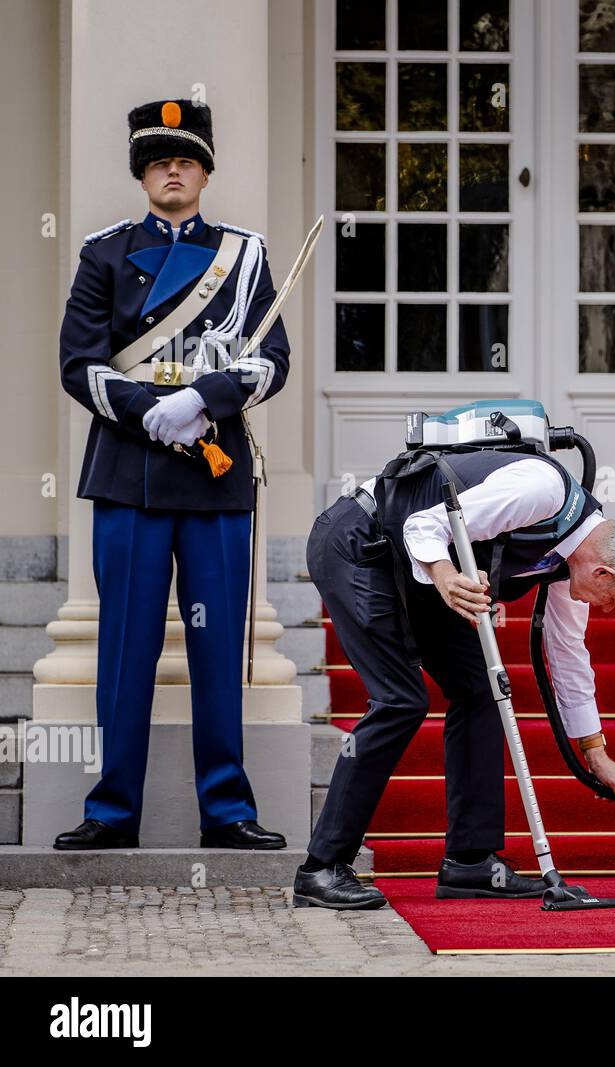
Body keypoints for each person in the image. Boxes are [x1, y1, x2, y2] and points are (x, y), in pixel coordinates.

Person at [54, 97, 291, 850]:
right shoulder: (103, 253)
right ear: (143, 173)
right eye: (159, 160)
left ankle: (227, 809)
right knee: (123, 644)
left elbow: (270, 359)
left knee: (218, 643)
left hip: (215, 474)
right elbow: (77, 365)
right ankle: (112, 808)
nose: (173, 169)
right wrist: (143, 409)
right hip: (129, 472)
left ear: (205, 169)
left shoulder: (246, 255)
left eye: (185, 158)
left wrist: (203, 397)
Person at [292, 448, 615, 909]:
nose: (606, 610)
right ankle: (322, 868)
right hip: (361, 543)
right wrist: (446, 576)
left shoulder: (574, 553)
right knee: (400, 700)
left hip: (416, 569)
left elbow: (569, 653)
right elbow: (423, 525)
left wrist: (595, 753)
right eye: (613, 601)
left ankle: (470, 863)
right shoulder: (540, 492)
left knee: (481, 690)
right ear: (604, 572)